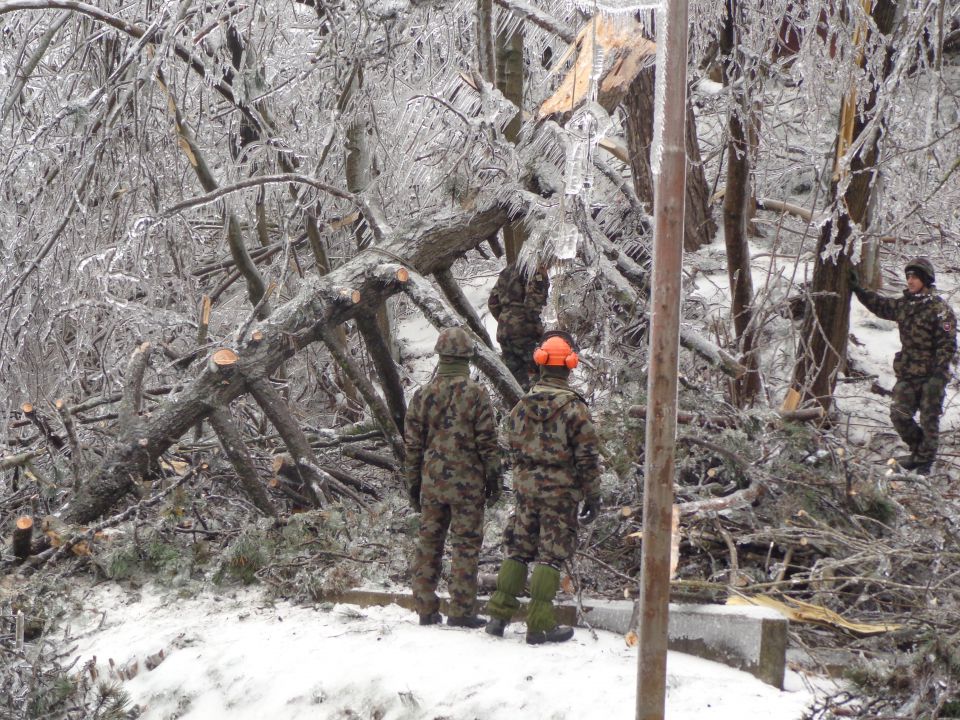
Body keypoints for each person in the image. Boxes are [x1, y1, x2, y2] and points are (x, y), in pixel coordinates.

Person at [485, 330, 602, 644]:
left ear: (539, 364)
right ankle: (539, 625)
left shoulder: (521, 405)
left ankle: (498, 616)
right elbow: (587, 456)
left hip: (526, 490)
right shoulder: (574, 408)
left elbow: (507, 442)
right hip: (560, 493)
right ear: (569, 365)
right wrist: (593, 493)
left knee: (519, 550)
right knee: (550, 555)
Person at [404, 326, 503, 628]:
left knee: (429, 543)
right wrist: (495, 478)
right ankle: (461, 609)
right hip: (468, 485)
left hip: (432, 483)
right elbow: (487, 441)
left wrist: (412, 485)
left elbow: (412, 445)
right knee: (466, 545)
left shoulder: (422, 395)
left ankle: (425, 608)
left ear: (440, 354)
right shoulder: (476, 394)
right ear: (467, 357)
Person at [850, 257, 957, 475]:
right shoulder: (904, 305)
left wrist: (938, 373)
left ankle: (925, 462)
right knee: (898, 414)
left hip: (932, 375)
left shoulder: (940, 309)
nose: (910, 281)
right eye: (908, 276)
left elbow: (948, 343)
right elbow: (880, 305)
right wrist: (858, 290)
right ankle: (920, 452)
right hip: (908, 373)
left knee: (929, 419)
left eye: (915, 277)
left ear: (926, 280)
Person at [488, 261, 550, 391]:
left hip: (504, 330)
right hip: (525, 332)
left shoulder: (507, 270)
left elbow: (493, 302)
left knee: (514, 382)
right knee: (541, 374)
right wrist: (540, 331)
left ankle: (515, 408)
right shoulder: (536, 270)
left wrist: (506, 319)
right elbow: (533, 305)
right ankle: (534, 408)